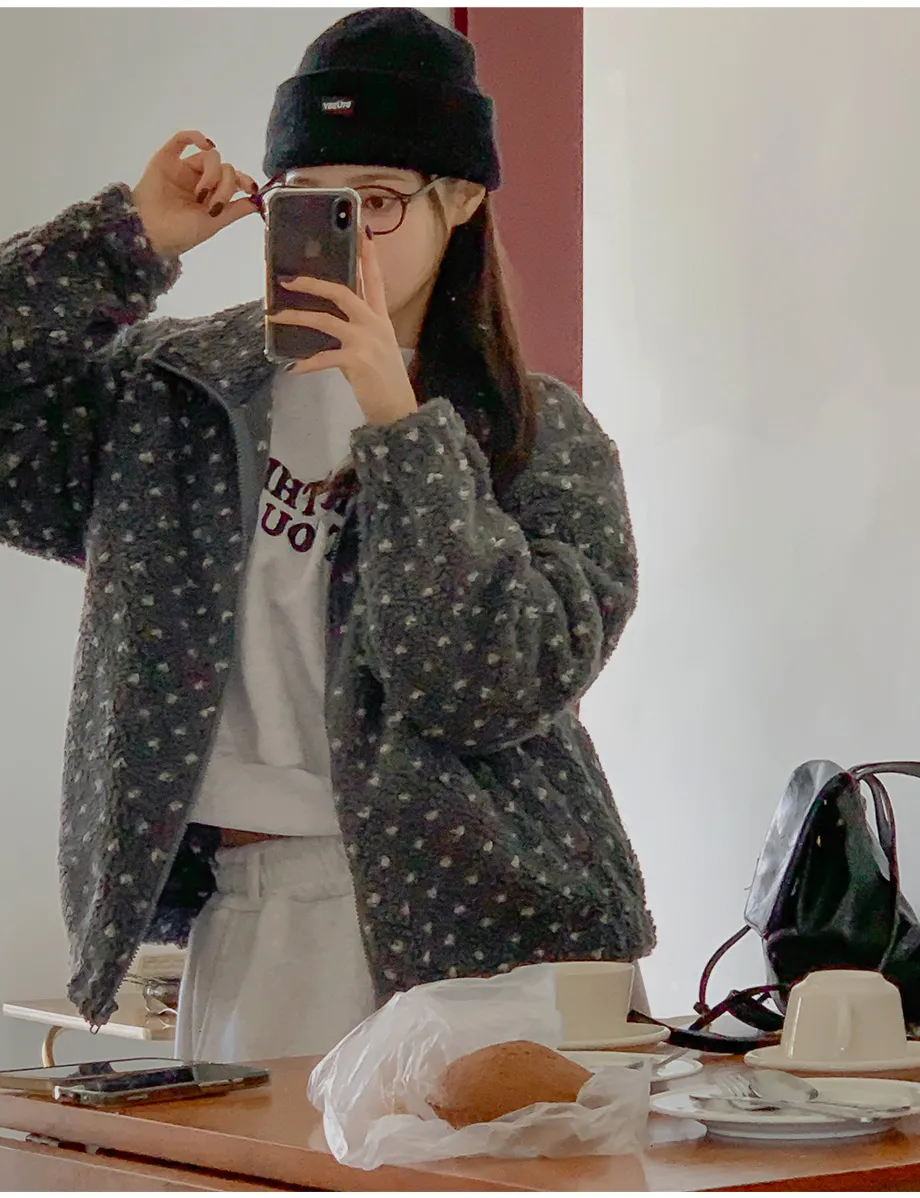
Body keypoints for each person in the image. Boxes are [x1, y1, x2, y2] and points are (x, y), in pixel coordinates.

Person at [0, 8, 655, 1062]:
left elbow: (480, 686)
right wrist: (128, 239)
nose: (334, 231)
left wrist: (400, 425)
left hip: (498, 940)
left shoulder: (536, 435)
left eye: (374, 201)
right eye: (302, 197)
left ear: (462, 199)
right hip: (255, 915)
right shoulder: (173, 400)